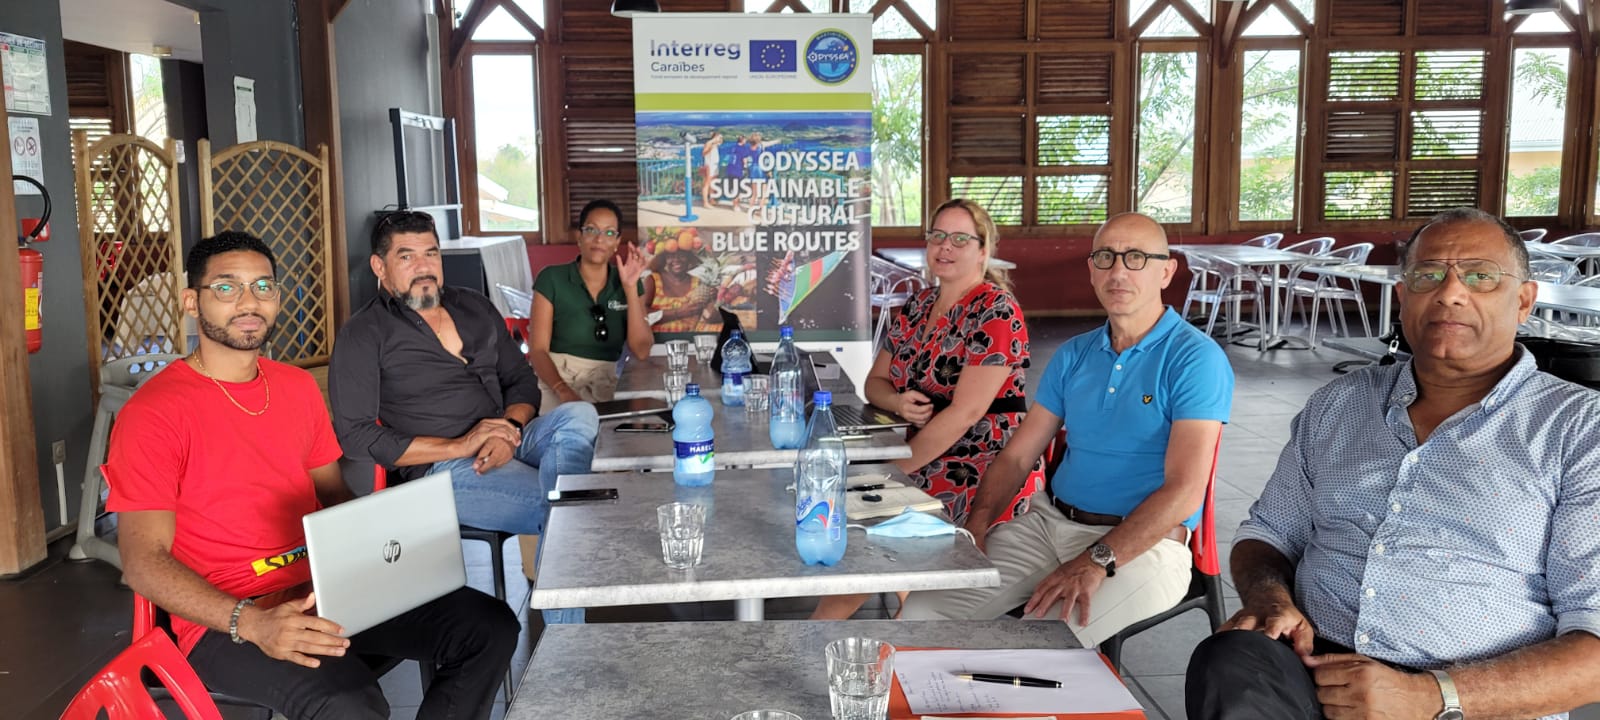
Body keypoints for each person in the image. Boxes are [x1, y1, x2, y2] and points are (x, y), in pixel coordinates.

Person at [1186, 208, 1600, 720]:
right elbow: (1268, 533)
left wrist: (1428, 696)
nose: (1450, 293)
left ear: (1524, 300)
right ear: (1403, 297)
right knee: (1228, 659)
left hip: (1470, 700)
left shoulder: (1579, 430)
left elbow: (1594, 647)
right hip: (1312, 671)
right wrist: (1269, 598)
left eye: (1480, 276)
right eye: (1428, 275)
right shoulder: (1339, 404)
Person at [107, 232, 517, 720]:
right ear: (192, 302)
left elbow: (333, 494)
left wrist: (397, 552)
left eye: (263, 286)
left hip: (325, 588)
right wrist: (252, 623)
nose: (249, 302)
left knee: (489, 627)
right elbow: (143, 562)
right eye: (227, 287)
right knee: (350, 702)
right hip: (228, 618)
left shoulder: (296, 387)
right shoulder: (154, 412)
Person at [898, 212, 1233, 649]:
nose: (1118, 271)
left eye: (1135, 257)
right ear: (1091, 270)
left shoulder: (1194, 359)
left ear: (1166, 271)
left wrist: (1096, 559)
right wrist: (977, 525)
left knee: (1035, 646)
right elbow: (1018, 456)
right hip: (1047, 525)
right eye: (1105, 257)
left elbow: (1185, 491)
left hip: (1144, 547)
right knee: (921, 613)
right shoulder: (1075, 354)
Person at [811, 198, 1037, 620]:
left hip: (980, 464)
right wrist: (897, 401)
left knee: (871, 528)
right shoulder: (917, 306)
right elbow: (874, 384)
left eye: (960, 239)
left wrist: (895, 470)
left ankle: (820, 633)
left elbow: (966, 413)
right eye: (937, 236)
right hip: (927, 454)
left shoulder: (995, 310)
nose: (945, 246)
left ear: (983, 250)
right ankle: (904, 625)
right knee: (858, 521)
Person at [329, 210, 598, 551]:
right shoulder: (364, 333)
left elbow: (520, 379)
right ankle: (572, 521)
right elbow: (356, 435)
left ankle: (568, 512)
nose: (423, 266)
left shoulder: (474, 305)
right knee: (567, 507)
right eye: (407, 257)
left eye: (431, 253)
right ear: (379, 267)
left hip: (512, 438)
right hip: (443, 469)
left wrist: (508, 430)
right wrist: (463, 445)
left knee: (580, 415)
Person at [528, 199, 654, 411]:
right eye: (591, 230)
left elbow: (641, 350)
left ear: (617, 242)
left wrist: (630, 288)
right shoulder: (551, 278)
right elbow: (538, 350)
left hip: (605, 385)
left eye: (609, 232)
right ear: (579, 236)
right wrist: (563, 391)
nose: (599, 239)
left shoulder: (628, 282)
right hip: (555, 383)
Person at [647, 247, 718, 333]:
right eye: (671, 256)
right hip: (658, 339)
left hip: (689, 338)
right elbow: (641, 314)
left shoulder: (698, 283)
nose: (676, 259)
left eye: (682, 255)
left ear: (689, 258)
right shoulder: (652, 280)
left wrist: (714, 300)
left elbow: (708, 317)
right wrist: (679, 313)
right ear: (665, 259)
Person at [700, 130, 723, 208]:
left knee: (712, 184)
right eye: (720, 138)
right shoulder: (709, 143)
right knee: (706, 184)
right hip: (709, 166)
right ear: (715, 137)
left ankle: (711, 199)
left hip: (714, 166)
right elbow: (703, 153)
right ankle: (705, 202)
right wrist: (710, 148)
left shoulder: (715, 145)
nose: (721, 139)